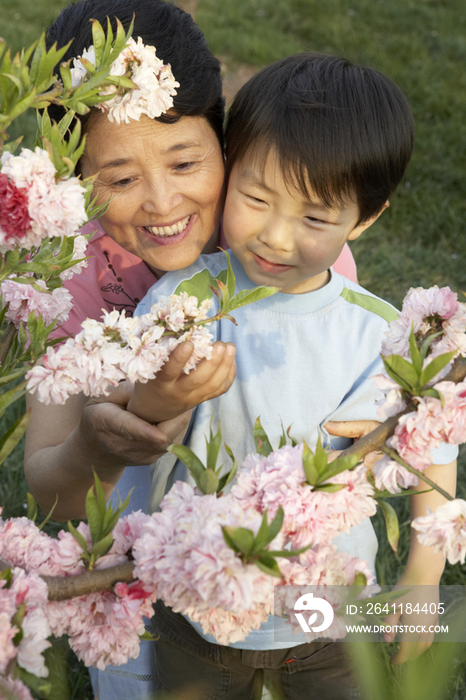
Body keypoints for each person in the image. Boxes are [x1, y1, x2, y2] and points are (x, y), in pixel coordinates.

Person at [23, 3, 358, 698]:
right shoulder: (67, 275)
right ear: (71, 177)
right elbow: (53, 496)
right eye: (118, 180)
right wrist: (100, 445)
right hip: (136, 570)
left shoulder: (289, 251)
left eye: (185, 161)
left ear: (226, 141)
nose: (162, 200)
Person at [131, 53, 458, 699]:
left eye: (314, 219)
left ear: (363, 219)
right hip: (195, 594)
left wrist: (422, 573)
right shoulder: (181, 303)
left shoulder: (383, 332)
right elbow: (129, 421)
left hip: (332, 603)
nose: (276, 237)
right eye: (255, 198)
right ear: (230, 174)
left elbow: (432, 444)